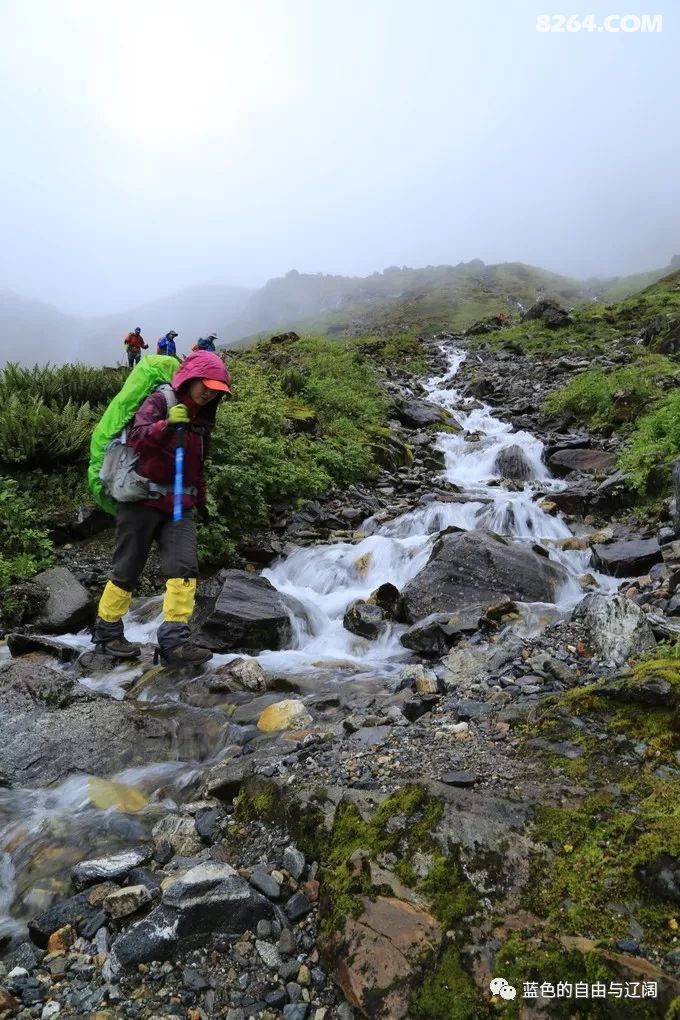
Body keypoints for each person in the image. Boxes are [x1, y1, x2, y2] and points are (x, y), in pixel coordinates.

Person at [91, 351, 232, 666]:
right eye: (205, 386)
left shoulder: (202, 420)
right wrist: (167, 425)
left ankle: (173, 643)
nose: (208, 393)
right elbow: (139, 439)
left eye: (215, 390)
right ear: (191, 378)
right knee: (127, 568)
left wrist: (202, 498)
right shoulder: (159, 401)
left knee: (184, 568)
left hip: (180, 505)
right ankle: (107, 633)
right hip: (142, 500)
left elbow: (198, 464)